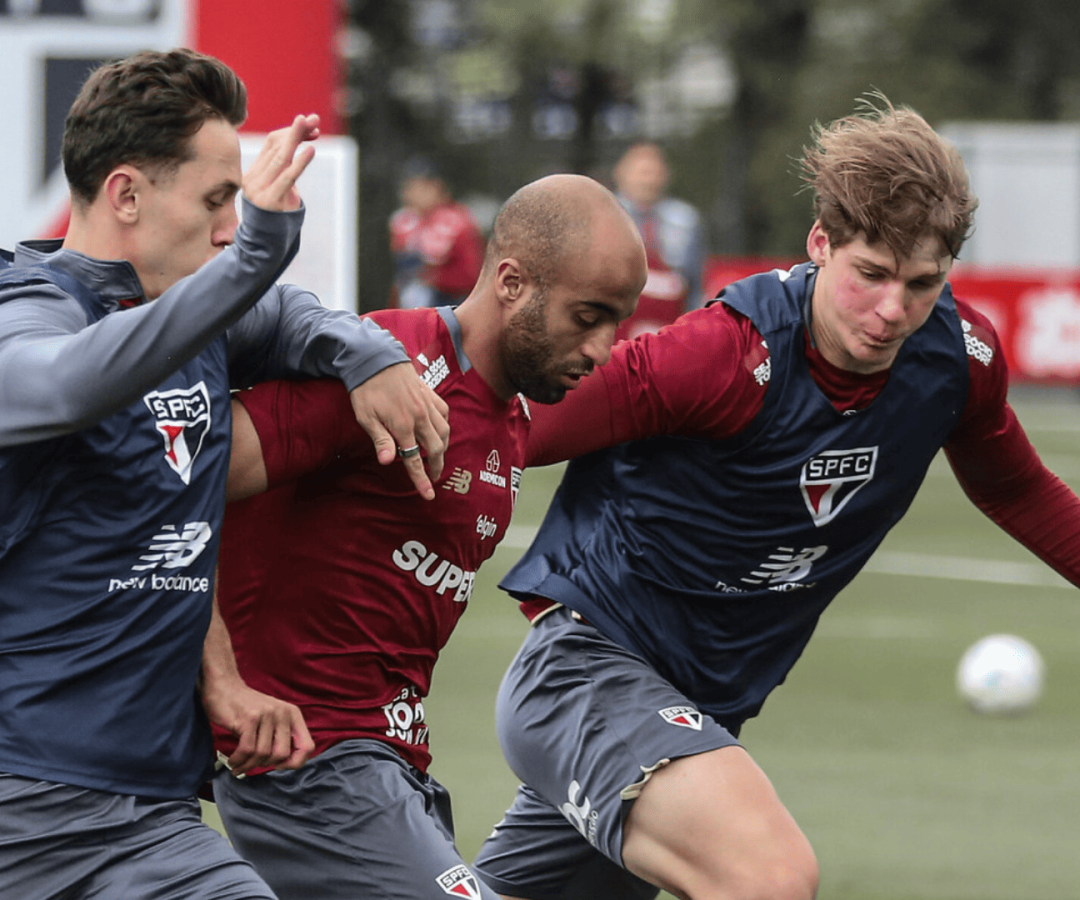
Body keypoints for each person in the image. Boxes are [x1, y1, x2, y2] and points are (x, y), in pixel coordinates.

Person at [470, 96, 1080, 900]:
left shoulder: (956, 361)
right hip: (587, 675)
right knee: (768, 877)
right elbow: (507, 420)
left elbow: (1017, 488)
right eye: (870, 274)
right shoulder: (724, 355)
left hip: (693, 715)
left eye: (923, 283)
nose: (893, 309)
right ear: (820, 243)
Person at [0, 48, 448, 900]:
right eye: (216, 202)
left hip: (155, 819)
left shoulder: (191, 314)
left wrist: (371, 353)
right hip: (20, 808)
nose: (225, 227)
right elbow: (62, 386)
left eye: (238, 205)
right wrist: (255, 257)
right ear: (127, 194)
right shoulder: (28, 308)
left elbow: (284, 317)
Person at [210, 173, 647, 900]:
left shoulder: (509, 420)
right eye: (588, 316)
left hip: (391, 768)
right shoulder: (389, 374)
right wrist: (218, 679)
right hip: (307, 767)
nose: (603, 349)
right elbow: (172, 478)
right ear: (511, 281)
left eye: (618, 322)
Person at [611, 141, 708, 342]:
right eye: (641, 172)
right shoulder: (605, 214)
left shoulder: (686, 219)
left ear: (666, 176)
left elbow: (695, 283)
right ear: (620, 173)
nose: (648, 180)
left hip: (668, 330)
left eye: (654, 172)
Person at [389, 155, 486, 308]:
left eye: (417, 187)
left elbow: (471, 275)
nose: (409, 194)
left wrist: (433, 278)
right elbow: (400, 278)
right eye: (407, 188)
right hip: (411, 307)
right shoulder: (404, 221)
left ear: (436, 187)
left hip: (449, 307)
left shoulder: (458, 221)